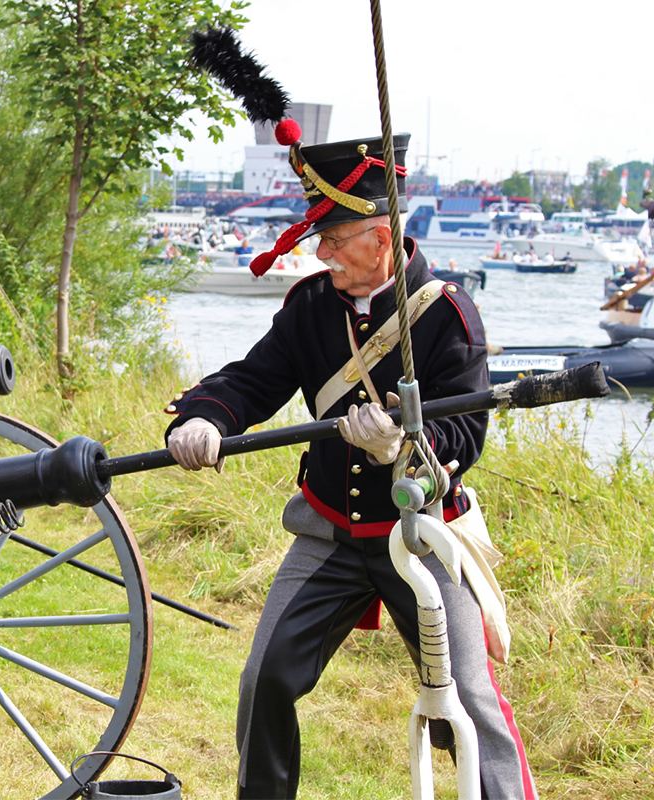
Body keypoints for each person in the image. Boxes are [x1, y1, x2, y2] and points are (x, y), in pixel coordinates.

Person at [164, 130, 536, 799]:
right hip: (331, 532)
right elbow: (256, 379)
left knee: (469, 704)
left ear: (381, 237)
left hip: (421, 536)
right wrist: (205, 416)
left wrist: (402, 450)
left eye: (334, 239)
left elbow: (463, 435)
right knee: (266, 679)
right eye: (322, 239)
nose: (321, 252)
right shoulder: (310, 307)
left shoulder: (447, 315)